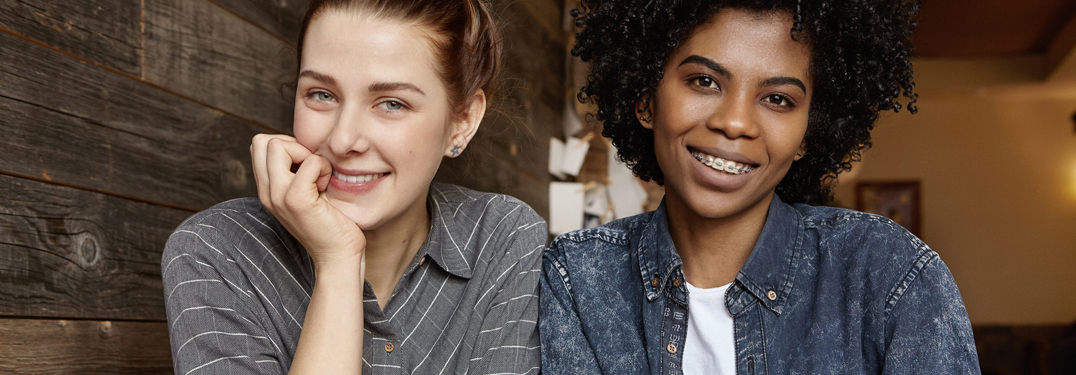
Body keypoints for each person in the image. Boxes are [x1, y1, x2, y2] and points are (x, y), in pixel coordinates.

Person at [541, 0, 980, 374]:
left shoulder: (890, 275)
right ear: (646, 99)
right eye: (704, 81)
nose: (734, 122)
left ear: (809, 132)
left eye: (778, 99)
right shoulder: (578, 277)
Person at [162, 1, 545, 373]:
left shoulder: (500, 236)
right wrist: (338, 263)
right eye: (322, 95)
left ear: (462, 121)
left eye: (391, 103)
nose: (344, 140)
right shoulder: (217, 250)